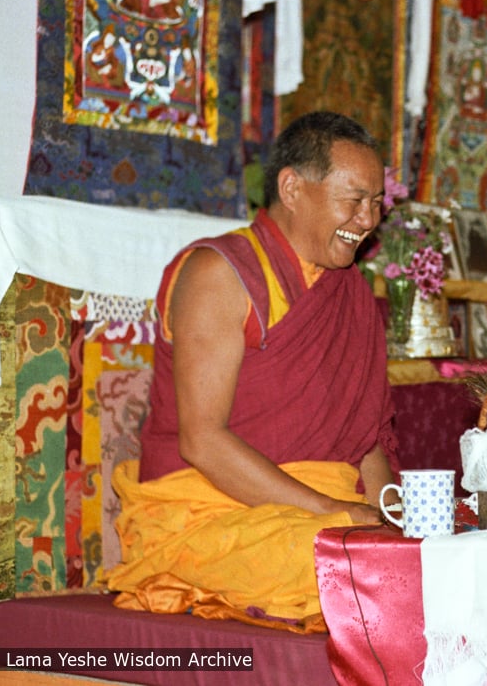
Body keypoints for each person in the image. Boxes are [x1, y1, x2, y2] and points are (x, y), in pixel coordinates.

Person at [107, 111, 399, 630]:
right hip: (210, 515)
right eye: (354, 200)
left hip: (314, 515)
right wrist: (333, 513)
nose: (368, 220)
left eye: (377, 203)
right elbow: (203, 442)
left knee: (408, 563)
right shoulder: (221, 275)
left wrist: (393, 521)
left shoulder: (352, 291)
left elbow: (365, 438)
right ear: (292, 188)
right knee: (347, 568)